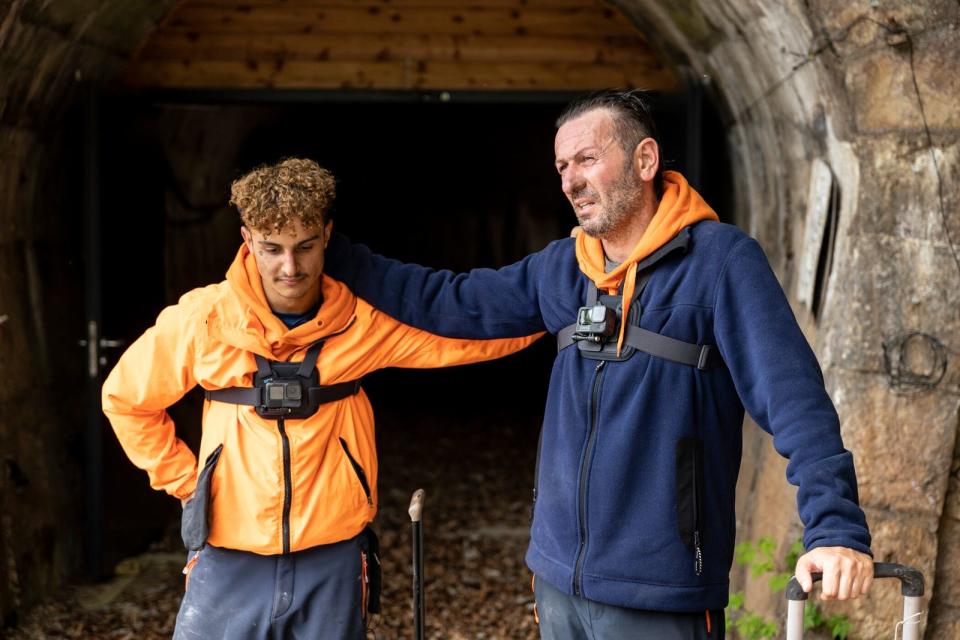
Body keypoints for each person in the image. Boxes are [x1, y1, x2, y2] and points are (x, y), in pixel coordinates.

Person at [323, 90, 874, 639]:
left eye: (586, 159)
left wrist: (835, 527)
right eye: (562, 167)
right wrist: (329, 251)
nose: (569, 181)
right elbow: (452, 300)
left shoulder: (720, 264)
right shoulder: (563, 268)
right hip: (558, 583)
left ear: (645, 160)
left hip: (660, 593)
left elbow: (794, 399)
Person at [101, 158, 539, 640]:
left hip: (332, 556)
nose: (290, 267)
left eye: (305, 247)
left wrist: (550, 311)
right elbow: (126, 400)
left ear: (327, 236)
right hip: (228, 555)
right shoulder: (203, 320)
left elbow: (465, 336)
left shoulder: (363, 322)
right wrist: (188, 485)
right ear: (247, 240)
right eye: (272, 249)